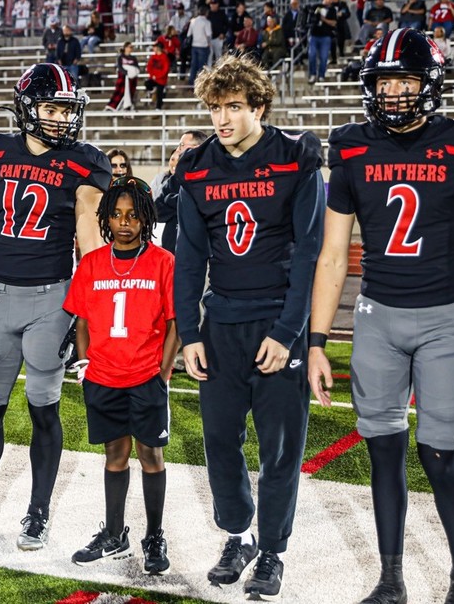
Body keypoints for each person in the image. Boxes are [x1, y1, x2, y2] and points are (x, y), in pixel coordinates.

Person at [308, 28, 454, 604]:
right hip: (377, 317)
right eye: (384, 81)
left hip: (444, 316)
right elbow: (335, 254)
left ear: (429, 83)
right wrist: (317, 340)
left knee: (441, 455)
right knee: (382, 450)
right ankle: (391, 578)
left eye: (405, 80)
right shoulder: (352, 146)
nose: (392, 92)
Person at [0, 64, 110, 551]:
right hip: (1, 297)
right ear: (28, 108)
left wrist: (86, 316)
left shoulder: (84, 162)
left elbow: (89, 243)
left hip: (53, 300)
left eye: (67, 110)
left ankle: (38, 513)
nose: (60, 119)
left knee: (43, 410)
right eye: (51, 108)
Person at [174, 54, 324, 600]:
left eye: (233, 107)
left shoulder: (294, 155)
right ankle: (238, 535)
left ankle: (273, 550)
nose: (222, 119)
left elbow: (311, 252)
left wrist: (288, 333)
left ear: (258, 106)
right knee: (219, 440)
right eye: (215, 108)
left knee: (280, 447)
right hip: (222, 322)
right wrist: (189, 333)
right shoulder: (196, 167)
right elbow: (188, 257)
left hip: (277, 319)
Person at [63, 177, 177, 575]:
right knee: (115, 455)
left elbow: (175, 323)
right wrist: (83, 363)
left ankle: (155, 535)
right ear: (106, 219)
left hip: (146, 376)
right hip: (104, 376)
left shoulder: (163, 262)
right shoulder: (93, 262)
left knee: (150, 455)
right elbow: (80, 321)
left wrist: (162, 373)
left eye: (132, 215)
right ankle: (114, 533)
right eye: (116, 214)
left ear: (145, 218)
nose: (124, 222)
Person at [153, 130, 208, 254]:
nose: (178, 150)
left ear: (197, 148)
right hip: (171, 252)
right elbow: (157, 211)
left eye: (182, 145)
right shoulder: (175, 178)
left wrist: (170, 200)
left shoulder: (211, 177)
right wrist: (181, 201)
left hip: (201, 254)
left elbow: (204, 207)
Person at [307, 0, 337, 84]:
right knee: (311, 55)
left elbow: (334, 23)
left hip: (326, 36)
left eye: (332, 0)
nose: (330, 2)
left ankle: (321, 75)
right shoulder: (315, 6)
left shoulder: (332, 10)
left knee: (324, 57)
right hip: (314, 35)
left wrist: (324, 19)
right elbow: (309, 19)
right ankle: (312, 74)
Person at [106, 43, 140, 112]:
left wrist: (131, 73)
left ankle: (127, 107)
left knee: (130, 92)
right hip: (123, 77)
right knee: (119, 91)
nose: (130, 49)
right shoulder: (120, 57)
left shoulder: (133, 58)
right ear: (125, 48)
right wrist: (126, 73)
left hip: (131, 78)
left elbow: (137, 68)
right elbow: (119, 67)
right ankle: (112, 106)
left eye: (131, 47)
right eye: (129, 47)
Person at [187, 4, 213, 86]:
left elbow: (189, 34)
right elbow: (208, 35)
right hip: (203, 46)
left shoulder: (193, 21)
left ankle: (191, 82)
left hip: (194, 46)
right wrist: (209, 44)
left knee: (193, 65)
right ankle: (199, 84)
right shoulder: (206, 22)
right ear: (206, 13)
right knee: (201, 66)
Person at [145, 43, 171, 110]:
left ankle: (158, 108)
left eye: (154, 47)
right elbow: (149, 67)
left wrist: (157, 76)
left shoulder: (164, 57)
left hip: (161, 80)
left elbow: (165, 70)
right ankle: (153, 91)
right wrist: (152, 75)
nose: (153, 48)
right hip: (153, 78)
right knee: (147, 83)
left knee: (160, 94)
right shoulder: (153, 57)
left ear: (158, 48)